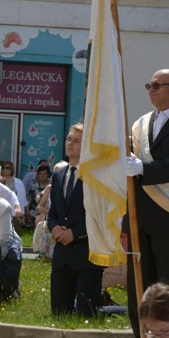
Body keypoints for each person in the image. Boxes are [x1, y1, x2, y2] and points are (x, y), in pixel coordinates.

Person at [121, 68, 169, 338]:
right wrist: (124, 223)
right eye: (149, 85)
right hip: (140, 218)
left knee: (168, 285)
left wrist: (145, 169)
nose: (152, 90)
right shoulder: (142, 125)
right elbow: (129, 177)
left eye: (158, 85)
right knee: (139, 284)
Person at [47, 123, 103, 317]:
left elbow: (100, 217)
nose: (70, 143)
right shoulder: (58, 175)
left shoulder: (96, 176)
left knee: (87, 314)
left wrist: (75, 234)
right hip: (62, 257)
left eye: (77, 141)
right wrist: (54, 228)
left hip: (86, 255)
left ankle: (113, 310)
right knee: (59, 314)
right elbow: (53, 212)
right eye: (69, 139)